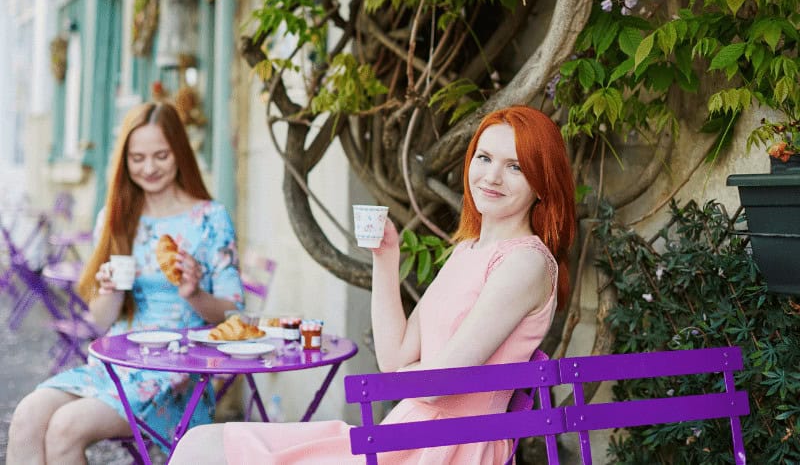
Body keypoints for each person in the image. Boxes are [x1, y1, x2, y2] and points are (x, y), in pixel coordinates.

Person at [170, 104, 576, 464]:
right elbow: (394, 357)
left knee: (207, 451)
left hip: (450, 447)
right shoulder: (467, 250)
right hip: (404, 433)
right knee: (200, 444)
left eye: (515, 166)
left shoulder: (525, 262)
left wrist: (414, 375)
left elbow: (437, 388)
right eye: (484, 157)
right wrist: (386, 259)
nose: (492, 176)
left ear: (541, 183)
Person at [7, 102, 245, 464]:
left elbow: (233, 313)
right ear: (124, 160)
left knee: (65, 428)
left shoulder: (209, 218)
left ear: (180, 152)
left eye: (161, 155)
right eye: (137, 158)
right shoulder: (117, 216)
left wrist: (194, 294)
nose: (149, 168)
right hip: (116, 366)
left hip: (176, 378)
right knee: (26, 418)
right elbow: (100, 322)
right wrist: (111, 291)